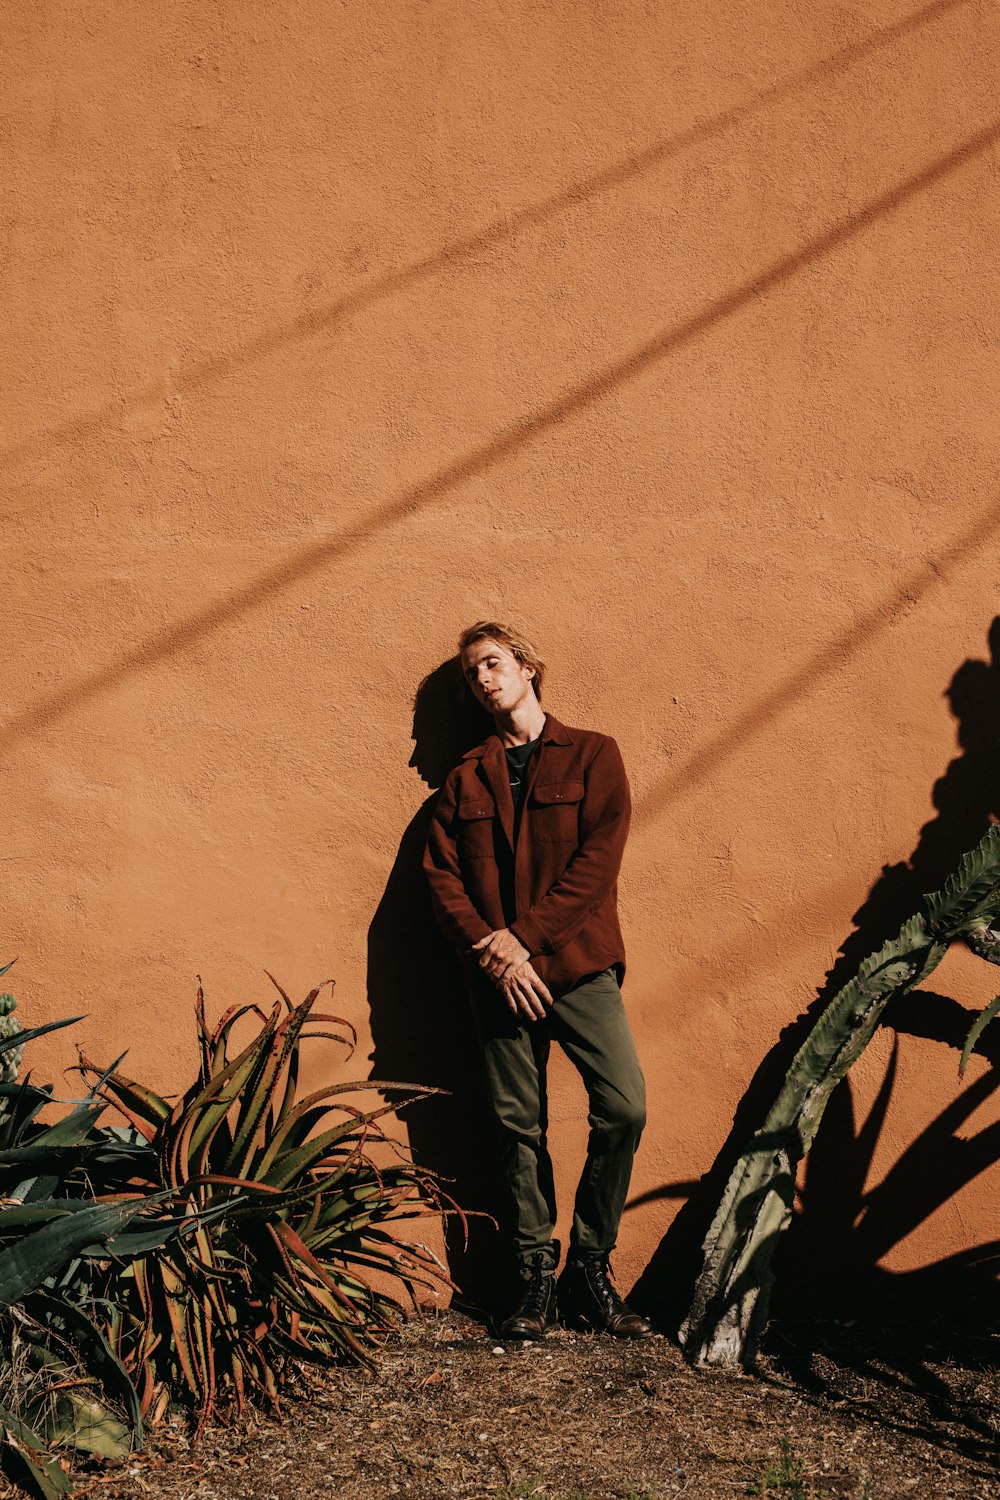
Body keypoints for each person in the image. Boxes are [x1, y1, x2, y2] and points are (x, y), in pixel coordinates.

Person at [423, 622, 652, 1340]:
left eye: (492, 664)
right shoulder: (463, 779)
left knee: (624, 1108)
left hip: (579, 965)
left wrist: (522, 941)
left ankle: (589, 1264)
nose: (482, 680)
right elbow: (442, 879)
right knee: (517, 1128)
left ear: (527, 667)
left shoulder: (593, 755)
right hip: (498, 980)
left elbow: (597, 861)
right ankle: (532, 1278)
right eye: (471, 674)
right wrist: (495, 958)